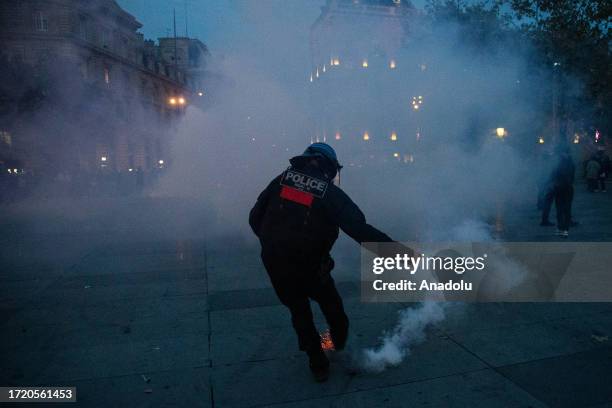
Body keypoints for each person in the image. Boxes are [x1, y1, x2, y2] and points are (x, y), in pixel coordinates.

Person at [249, 143, 394, 382]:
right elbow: (357, 228)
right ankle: (339, 343)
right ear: (327, 166)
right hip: (310, 265)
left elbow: (255, 217)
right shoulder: (327, 191)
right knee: (333, 308)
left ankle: (318, 363)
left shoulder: (280, 181)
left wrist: (273, 244)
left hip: (276, 264)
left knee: (299, 312)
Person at [550, 144, 575, 237]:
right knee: (566, 209)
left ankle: (562, 228)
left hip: (560, 187)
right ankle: (564, 229)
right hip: (567, 187)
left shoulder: (558, 161)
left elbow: (554, 173)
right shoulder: (570, 161)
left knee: (560, 209)